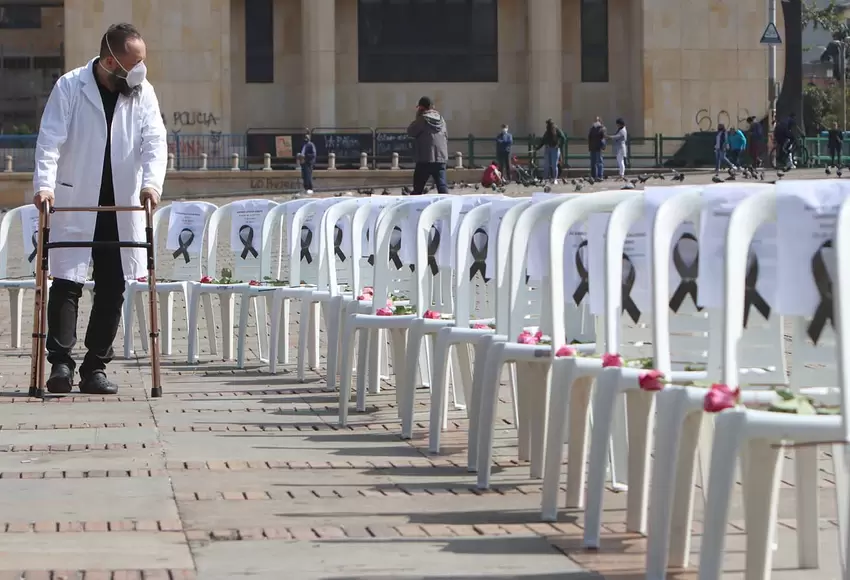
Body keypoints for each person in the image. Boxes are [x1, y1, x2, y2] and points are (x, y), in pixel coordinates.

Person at [32, 23, 167, 395]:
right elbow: (50, 141)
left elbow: (155, 141)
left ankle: (95, 368)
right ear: (110, 61)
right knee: (66, 282)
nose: (140, 70)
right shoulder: (70, 87)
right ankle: (60, 364)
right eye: (133, 63)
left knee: (113, 285)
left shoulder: (142, 93)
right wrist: (44, 185)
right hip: (77, 200)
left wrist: (151, 185)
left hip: (119, 204)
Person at [407, 96, 449, 195]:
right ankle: (448, 206)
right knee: (442, 186)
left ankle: (414, 208)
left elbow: (411, 131)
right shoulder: (441, 120)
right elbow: (446, 136)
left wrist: (417, 117)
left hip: (425, 158)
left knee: (418, 188)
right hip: (441, 158)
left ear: (421, 108)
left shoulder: (422, 119)